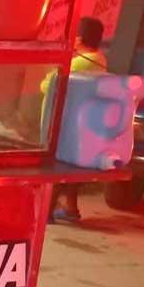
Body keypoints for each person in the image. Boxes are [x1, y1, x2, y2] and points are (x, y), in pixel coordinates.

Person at [43, 17, 109, 223]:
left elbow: (46, 86)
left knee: (56, 166)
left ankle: (46, 211)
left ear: (78, 39)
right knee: (73, 168)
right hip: (80, 123)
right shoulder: (100, 59)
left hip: (63, 122)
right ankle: (71, 209)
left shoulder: (79, 62)